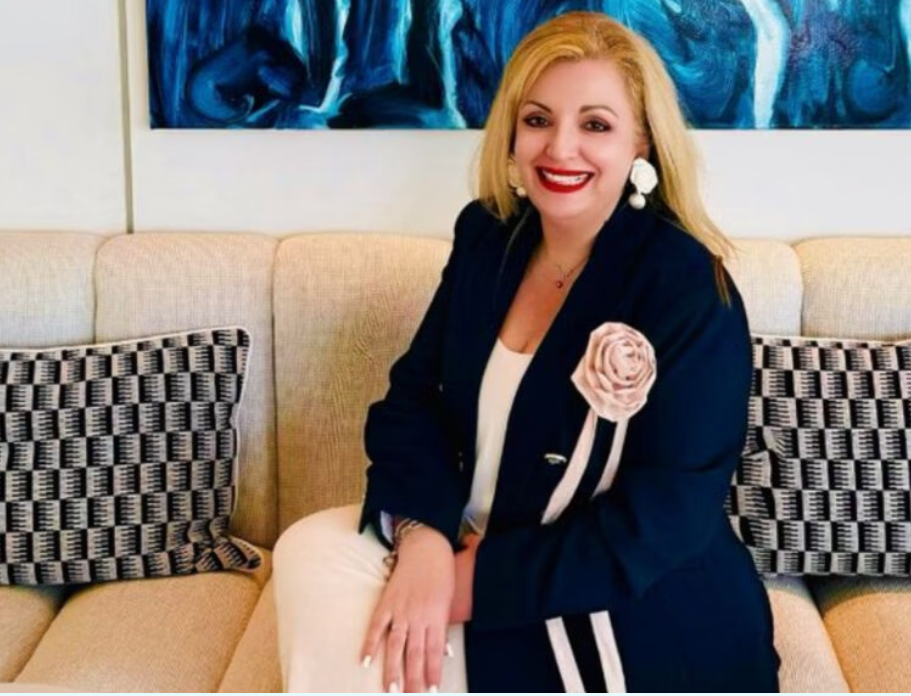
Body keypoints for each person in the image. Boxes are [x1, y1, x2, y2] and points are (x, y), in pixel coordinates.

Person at [273, 11, 780, 693]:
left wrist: (467, 585)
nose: (560, 149)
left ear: (642, 142)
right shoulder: (488, 237)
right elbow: (413, 401)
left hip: (627, 600)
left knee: (361, 660)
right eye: (538, 119)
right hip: (467, 537)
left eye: (595, 125)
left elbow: (667, 518)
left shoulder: (689, 288)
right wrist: (423, 538)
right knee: (306, 551)